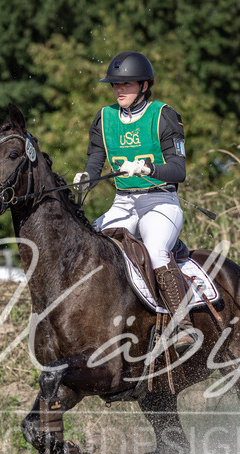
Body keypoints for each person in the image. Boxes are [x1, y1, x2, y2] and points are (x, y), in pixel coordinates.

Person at [73, 50, 192, 351]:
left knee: (154, 250)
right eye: (115, 85)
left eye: (126, 84)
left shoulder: (164, 115)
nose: (119, 90)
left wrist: (148, 168)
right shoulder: (105, 117)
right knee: (89, 244)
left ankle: (183, 323)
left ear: (144, 85)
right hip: (123, 203)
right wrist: (87, 175)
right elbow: (97, 156)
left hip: (160, 203)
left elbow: (179, 171)